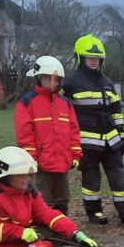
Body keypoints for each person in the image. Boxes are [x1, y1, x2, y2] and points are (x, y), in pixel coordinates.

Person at [60, 34, 124, 225]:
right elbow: (59, 109)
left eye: (97, 59)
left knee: (119, 177)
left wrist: (122, 136)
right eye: (90, 58)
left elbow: (116, 111)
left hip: (111, 141)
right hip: (87, 142)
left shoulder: (107, 82)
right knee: (91, 179)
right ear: (80, 58)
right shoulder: (70, 82)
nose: (94, 61)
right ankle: (94, 213)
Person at [15, 55, 81, 217]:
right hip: (41, 163)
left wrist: (76, 154)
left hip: (62, 161)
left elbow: (74, 130)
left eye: (56, 79)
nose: (54, 83)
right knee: (43, 198)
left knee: (62, 198)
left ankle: (61, 227)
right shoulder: (27, 102)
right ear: (38, 78)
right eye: (49, 78)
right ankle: (45, 230)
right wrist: (31, 157)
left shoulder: (65, 103)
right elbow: (24, 133)